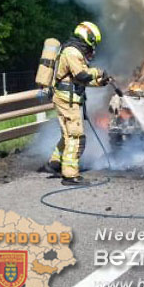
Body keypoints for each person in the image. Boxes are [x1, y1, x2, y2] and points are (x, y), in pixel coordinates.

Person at [45, 21, 110, 185]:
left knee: (67, 135)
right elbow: (82, 75)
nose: (93, 46)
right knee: (76, 137)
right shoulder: (72, 52)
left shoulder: (72, 50)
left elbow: (77, 79)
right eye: (93, 41)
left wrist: (101, 82)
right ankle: (70, 175)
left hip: (66, 98)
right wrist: (98, 72)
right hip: (68, 100)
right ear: (87, 36)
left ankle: (54, 164)